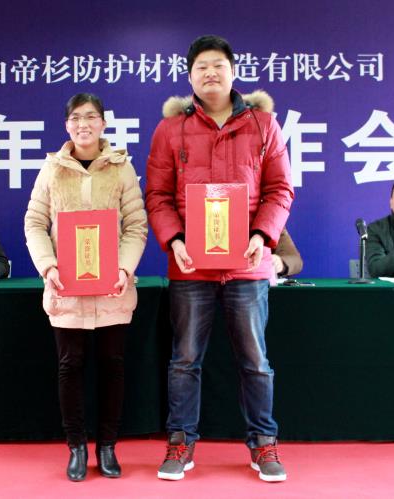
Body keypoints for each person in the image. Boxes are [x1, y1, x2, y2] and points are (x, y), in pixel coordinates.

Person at [146, 35, 293, 482]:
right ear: (190, 76)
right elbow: (157, 196)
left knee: (255, 361)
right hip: (190, 266)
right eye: (201, 67)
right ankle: (180, 442)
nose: (210, 73)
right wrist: (174, 241)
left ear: (233, 71)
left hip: (248, 264)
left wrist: (262, 236)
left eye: (218, 65)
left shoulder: (264, 125)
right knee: (185, 359)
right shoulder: (170, 129)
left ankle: (263, 443)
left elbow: (279, 190)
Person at [24, 93, 147, 482]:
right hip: (67, 288)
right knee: (70, 366)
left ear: (103, 124)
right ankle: (76, 446)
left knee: (112, 366)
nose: (84, 124)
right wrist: (48, 266)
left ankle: (107, 446)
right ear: (67, 125)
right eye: (76, 118)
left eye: (91, 117)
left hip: (113, 288)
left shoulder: (122, 168)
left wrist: (124, 269)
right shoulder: (51, 169)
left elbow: (136, 225)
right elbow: (34, 223)